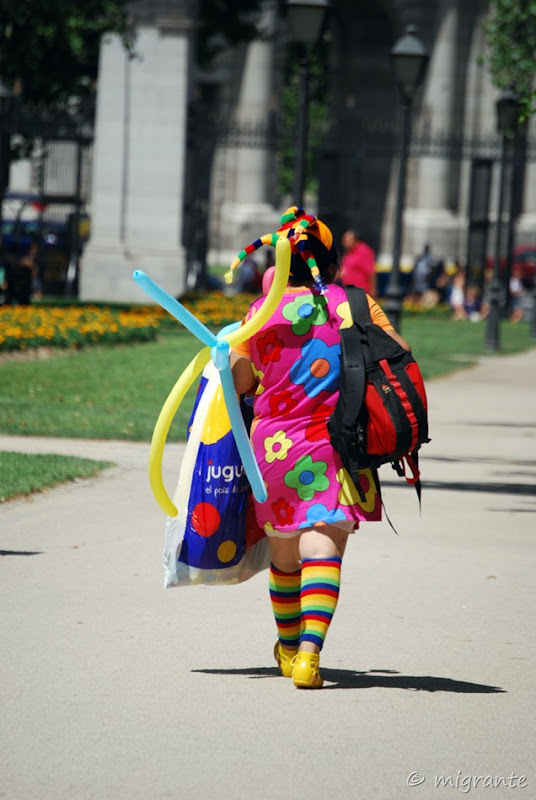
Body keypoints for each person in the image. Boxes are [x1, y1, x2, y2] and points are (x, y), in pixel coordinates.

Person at [230, 206, 411, 689]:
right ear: (331, 260)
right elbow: (396, 355)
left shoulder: (259, 311)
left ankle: (288, 648)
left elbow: (242, 381)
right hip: (340, 442)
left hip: (275, 446)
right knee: (323, 547)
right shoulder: (355, 302)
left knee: (286, 556)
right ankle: (310, 655)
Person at [338, 229, 377, 296]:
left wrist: (373, 290)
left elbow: (371, 272)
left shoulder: (363, 251)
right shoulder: (348, 253)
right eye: (344, 241)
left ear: (355, 240)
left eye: (347, 240)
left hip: (361, 292)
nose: (344, 243)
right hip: (349, 291)